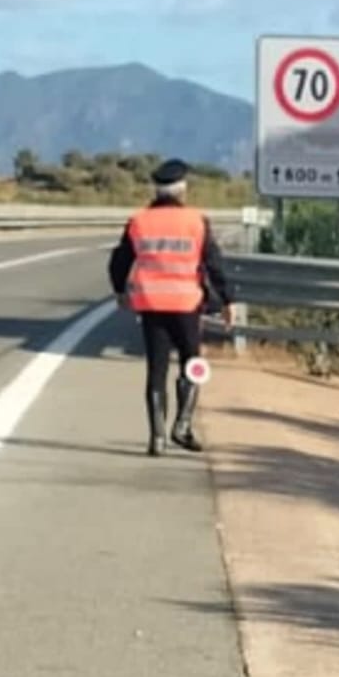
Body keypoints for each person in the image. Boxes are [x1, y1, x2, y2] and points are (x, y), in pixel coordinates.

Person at [108, 159, 235, 456]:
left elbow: (118, 261)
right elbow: (214, 264)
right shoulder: (196, 221)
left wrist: (120, 291)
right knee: (192, 365)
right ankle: (183, 424)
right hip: (186, 305)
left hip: (151, 305)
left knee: (156, 370)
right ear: (182, 191)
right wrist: (228, 299)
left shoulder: (139, 221)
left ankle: (157, 438)